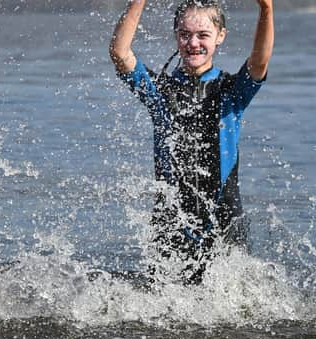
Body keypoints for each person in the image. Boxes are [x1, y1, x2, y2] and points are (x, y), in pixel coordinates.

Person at [110, 0, 274, 285]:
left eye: (203, 35)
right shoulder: (159, 91)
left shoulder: (231, 93)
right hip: (170, 222)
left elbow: (259, 62)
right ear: (176, 35)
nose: (193, 43)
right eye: (185, 34)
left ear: (220, 36)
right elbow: (120, 54)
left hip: (225, 221)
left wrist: (266, 9)